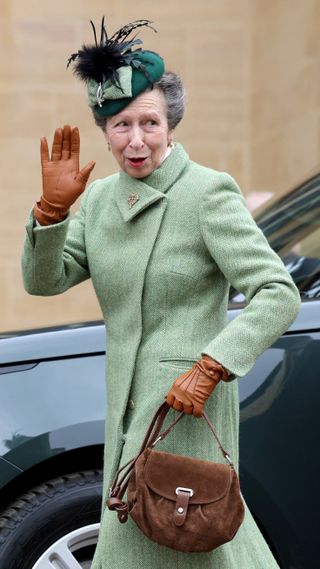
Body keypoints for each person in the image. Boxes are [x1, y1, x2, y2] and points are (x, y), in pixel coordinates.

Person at [21, 18, 300, 569]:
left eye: (149, 122)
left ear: (170, 123)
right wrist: (51, 213)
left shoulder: (206, 193)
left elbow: (277, 291)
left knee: (190, 542)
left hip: (186, 407)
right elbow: (45, 281)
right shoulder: (99, 201)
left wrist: (214, 364)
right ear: (104, 129)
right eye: (121, 124)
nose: (137, 140)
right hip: (126, 409)